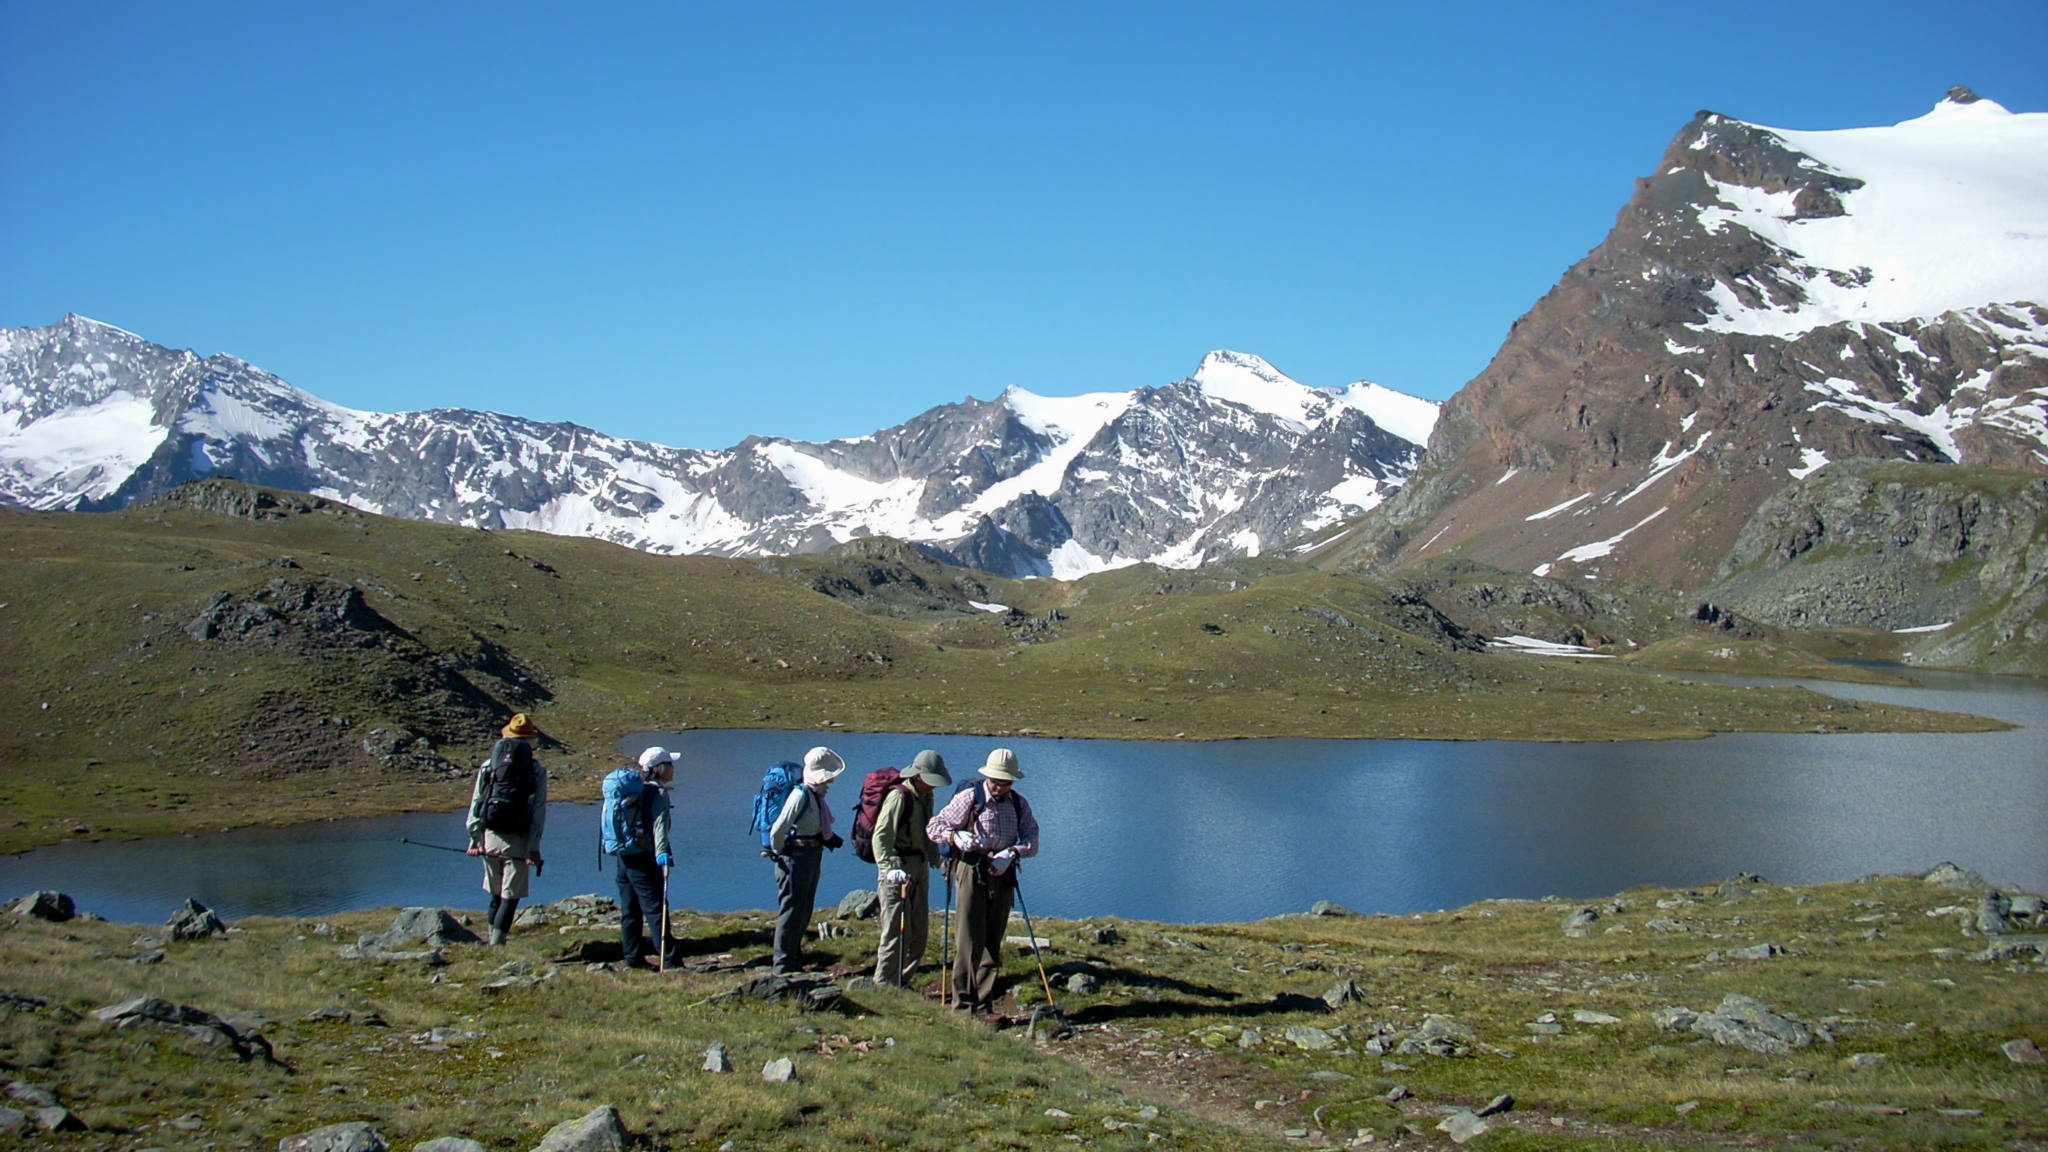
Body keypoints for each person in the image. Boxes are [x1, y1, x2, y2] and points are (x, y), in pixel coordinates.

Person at [925, 747, 1038, 1015]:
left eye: (1006, 783)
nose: (1000, 787)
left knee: (992, 938)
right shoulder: (970, 798)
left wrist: (1012, 853)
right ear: (988, 778)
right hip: (970, 869)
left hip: (1003, 874)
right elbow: (934, 827)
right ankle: (962, 1005)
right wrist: (955, 837)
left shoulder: (1019, 804)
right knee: (968, 938)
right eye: (997, 782)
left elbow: (1032, 841)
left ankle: (984, 1002)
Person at [465, 713, 548, 946]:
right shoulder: (536, 771)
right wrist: (534, 848)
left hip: (490, 836)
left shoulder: (489, 766)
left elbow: (477, 802)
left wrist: (475, 838)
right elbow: (538, 812)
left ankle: (492, 943)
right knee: (509, 898)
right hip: (518, 841)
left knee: (495, 895)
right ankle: (497, 946)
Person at [872, 749, 951, 988]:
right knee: (895, 931)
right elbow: (881, 835)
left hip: (919, 867)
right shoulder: (899, 797)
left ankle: (903, 979)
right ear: (918, 776)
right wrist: (887, 869)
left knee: (919, 931)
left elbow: (928, 831)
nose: (933, 787)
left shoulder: (926, 796)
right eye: (930, 782)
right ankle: (884, 982)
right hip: (898, 869)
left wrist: (938, 860)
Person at [766, 746, 845, 974]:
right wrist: (782, 853)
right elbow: (778, 830)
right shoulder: (800, 795)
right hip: (795, 857)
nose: (829, 783)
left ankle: (793, 956)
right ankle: (782, 963)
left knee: (803, 908)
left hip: (810, 855)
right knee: (791, 910)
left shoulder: (815, 796)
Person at [610, 746, 678, 970]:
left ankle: (632, 957)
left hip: (625, 855)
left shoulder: (636, 790)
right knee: (656, 908)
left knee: (630, 908)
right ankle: (669, 960)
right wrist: (662, 854)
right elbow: (659, 827)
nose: (673, 768)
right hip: (645, 857)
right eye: (670, 764)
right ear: (660, 768)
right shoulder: (657, 793)